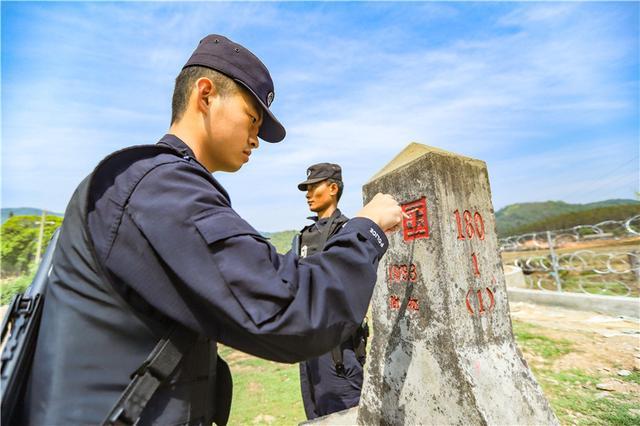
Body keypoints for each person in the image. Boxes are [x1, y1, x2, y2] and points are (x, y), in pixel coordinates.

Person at [19, 34, 402, 426]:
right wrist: (366, 229)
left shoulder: (143, 183)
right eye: (252, 118)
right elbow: (290, 311)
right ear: (205, 95)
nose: (255, 138)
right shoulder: (162, 191)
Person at [296, 163, 368, 419]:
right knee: (315, 415)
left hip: (340, 352)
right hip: (309, 350)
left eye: (313, 187)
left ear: (333, 188)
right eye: (306, 188)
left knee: (346, 415)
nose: (307, 193)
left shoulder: (349, 232)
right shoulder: (303, 237)